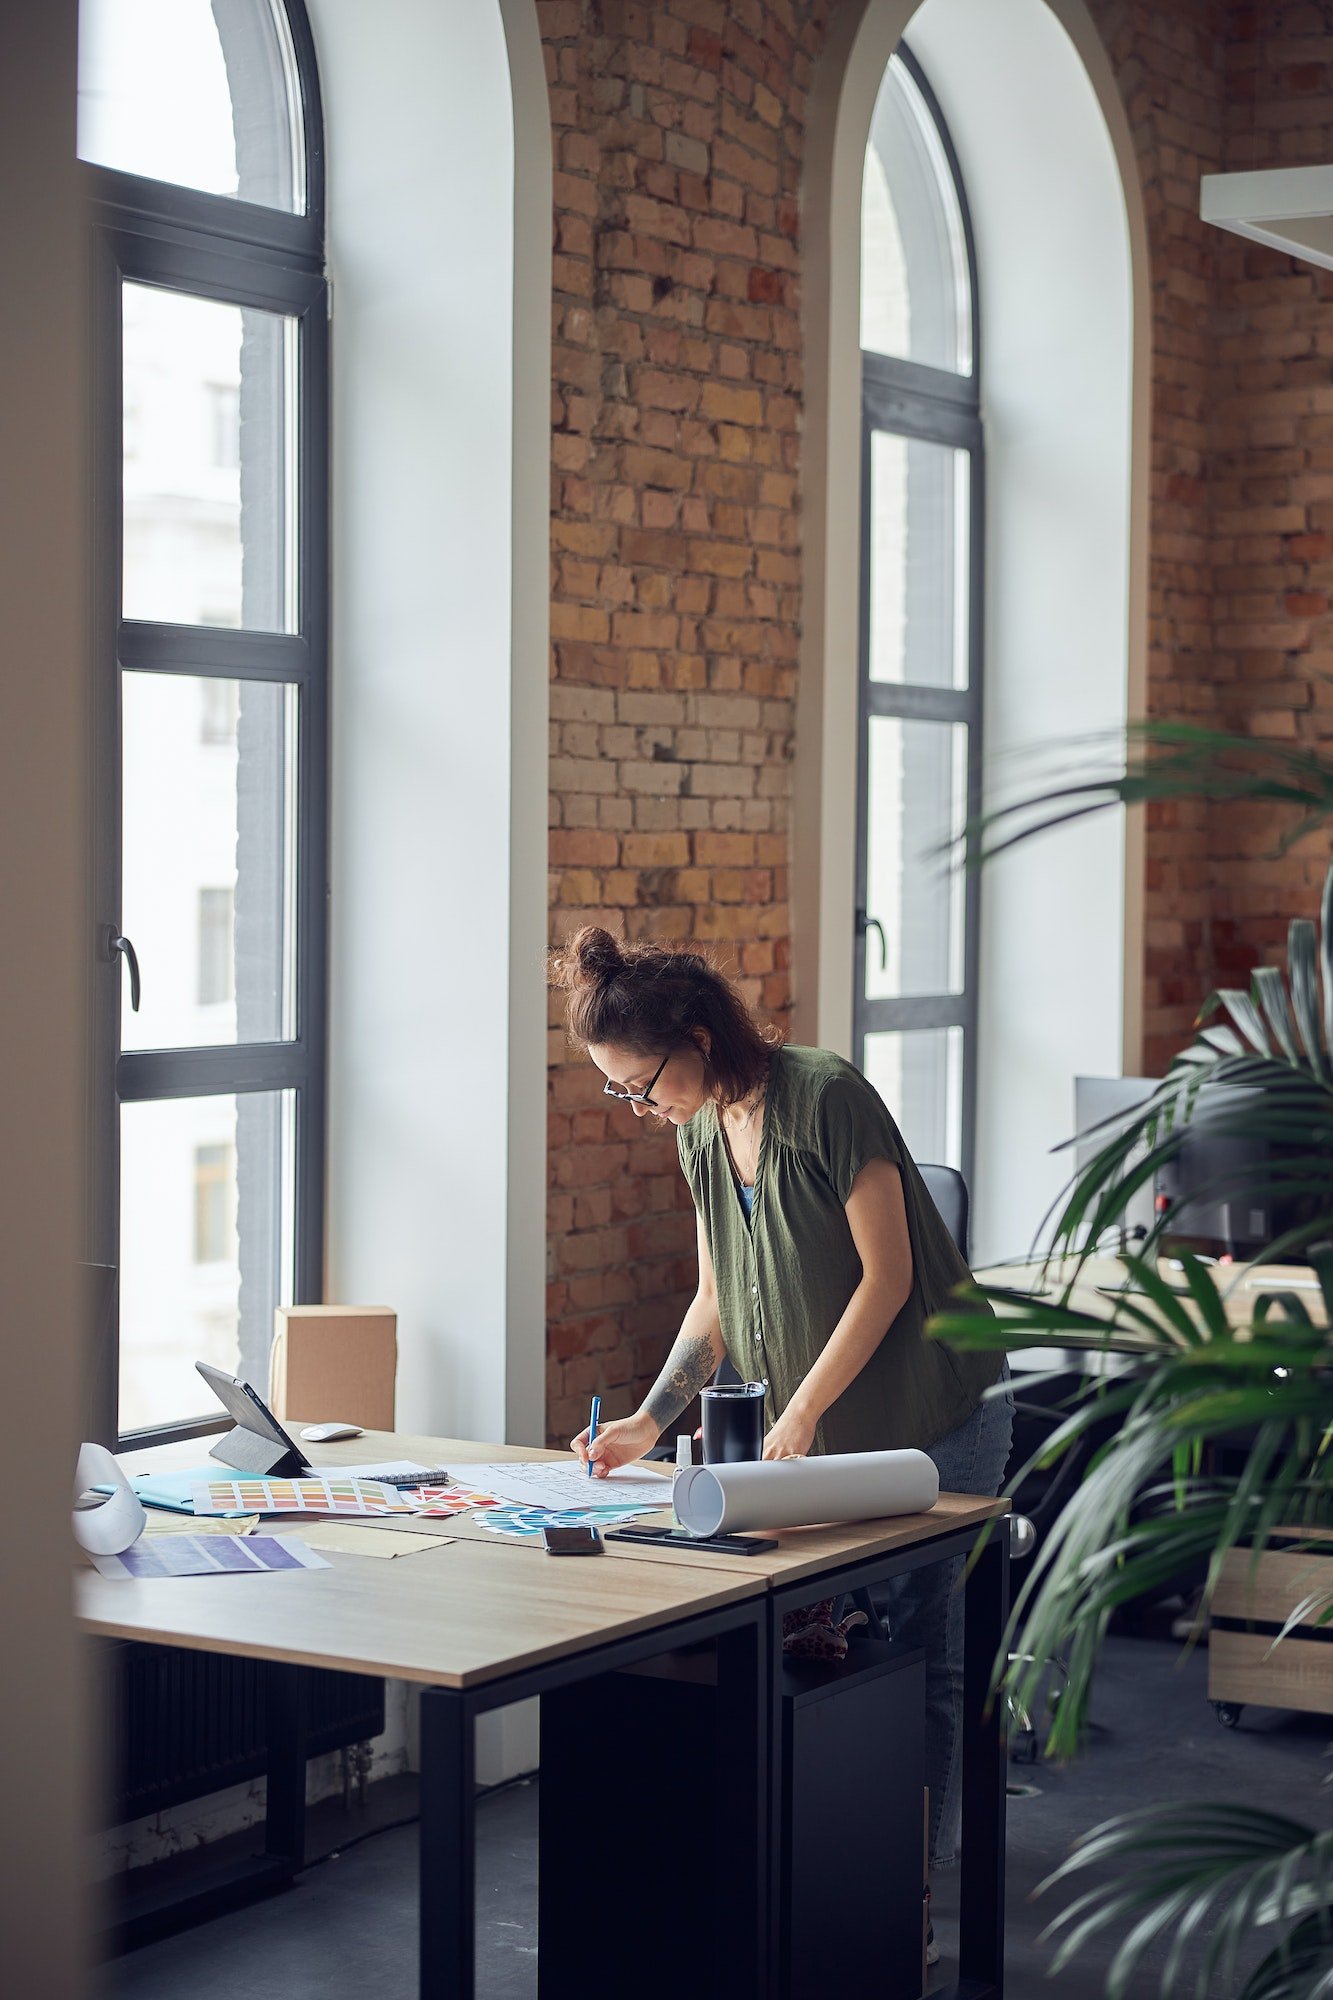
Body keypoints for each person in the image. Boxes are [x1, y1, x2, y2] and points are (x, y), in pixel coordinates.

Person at [549, 925, 1013, 1891]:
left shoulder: (824, 1096)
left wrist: (797, 1413)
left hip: (936, 1417)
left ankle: (913, 1891)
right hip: (826, 1434)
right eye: (621, 1092)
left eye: (642, 1084)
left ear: (697, 1037)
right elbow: (714, 1297)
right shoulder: (699, 1133)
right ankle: (836, 1874)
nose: (642, 1108)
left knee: (921, 1648)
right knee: (828, 1651)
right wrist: (648, 1420)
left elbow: (887, 1278)